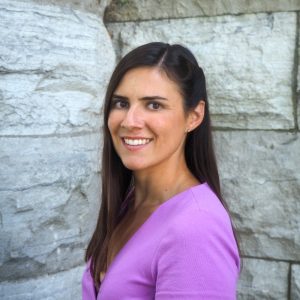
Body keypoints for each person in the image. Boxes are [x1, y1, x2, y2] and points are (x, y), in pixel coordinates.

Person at [82, 42, 240, 299]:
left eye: (154, 105)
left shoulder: (197, 228)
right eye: (121, 103)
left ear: (194, 116)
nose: (130, 121)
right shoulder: (130, 205)